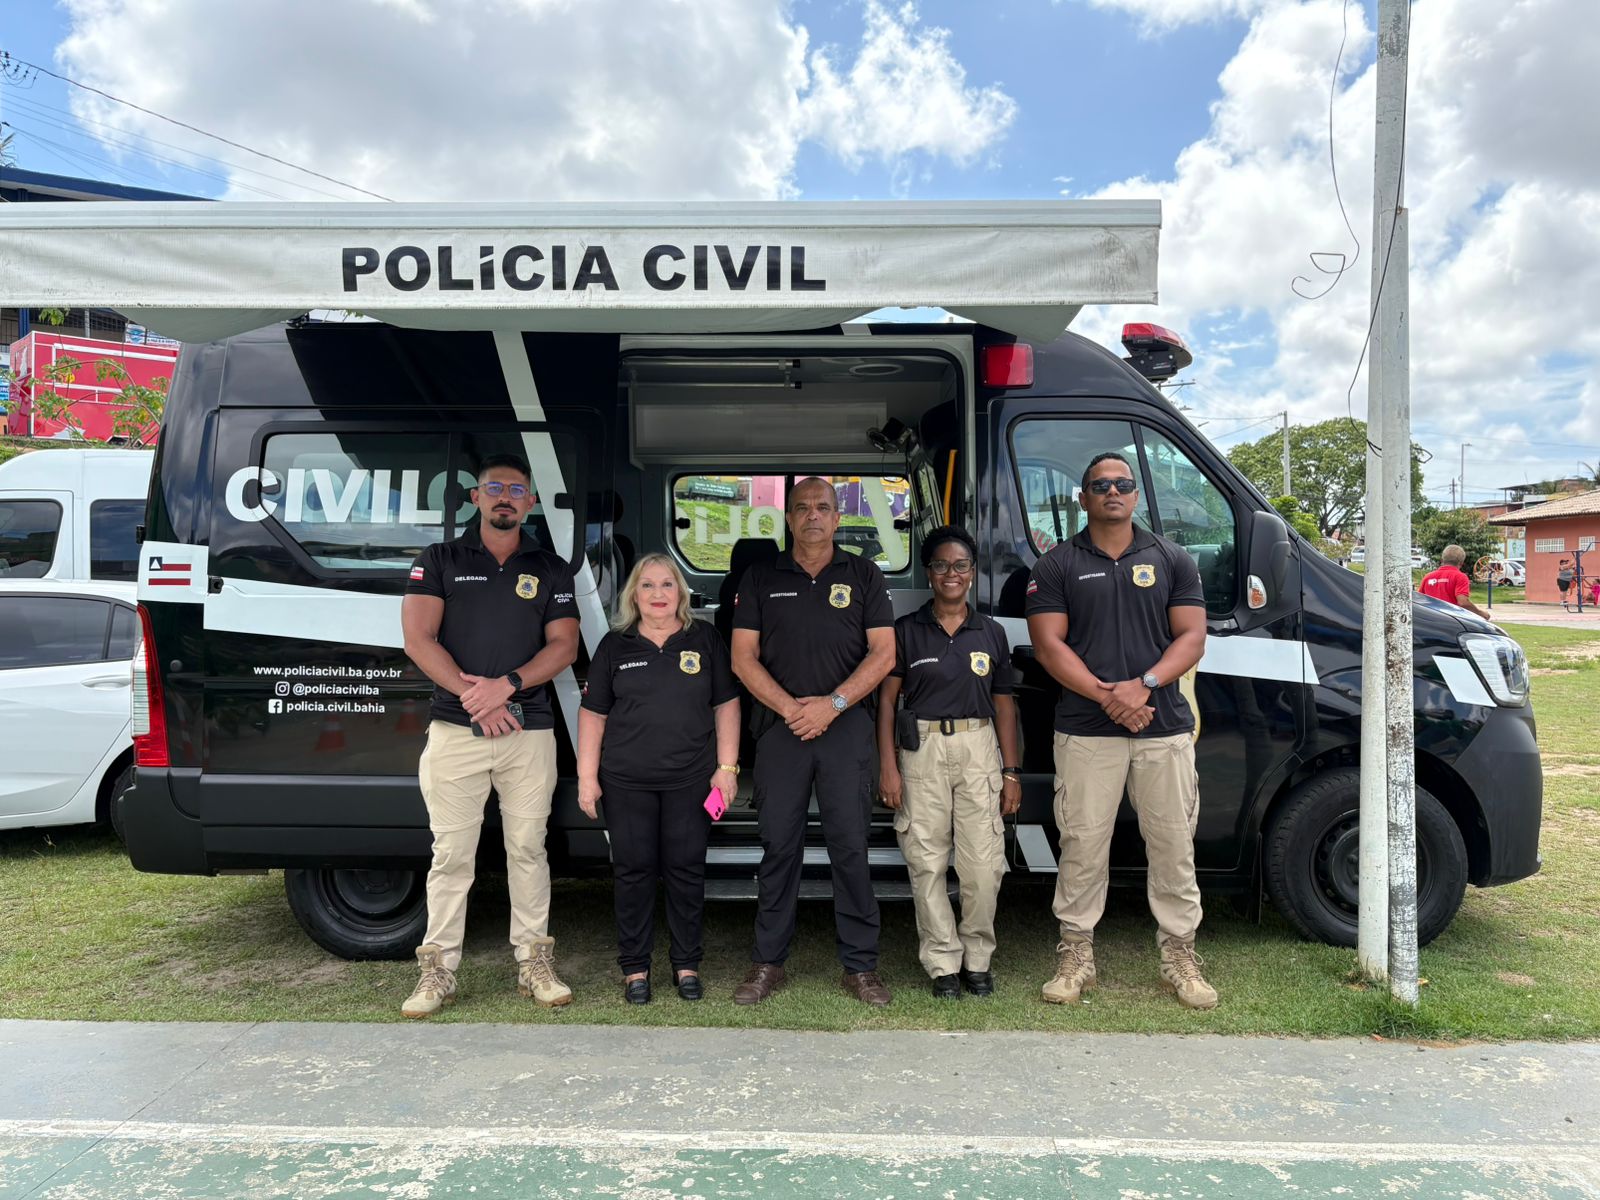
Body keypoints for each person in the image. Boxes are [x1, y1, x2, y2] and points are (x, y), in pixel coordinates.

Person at [1025, 452, 1215, 1010]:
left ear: (1135, 496)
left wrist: (1144, 685)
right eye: (1101, 484)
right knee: (1083, 844)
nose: (1112, 491)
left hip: (1163, 727)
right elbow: (1048, 647)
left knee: (1173, 844)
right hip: (1087, 729)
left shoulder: (1173, 559)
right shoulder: (1056, 565)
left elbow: (1192, 637)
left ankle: (1180, 956)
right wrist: (1110, 696)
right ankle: (1075, 955)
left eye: (1122, 484)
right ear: (1083, 497)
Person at [398, 454, 580, 1018]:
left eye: (517, 490)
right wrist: (473, 696)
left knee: (528, 848)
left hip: (529, 730)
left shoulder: (551, 568)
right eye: (495, 488)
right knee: (452, 854)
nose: (506, 497)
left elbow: (564, 646)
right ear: (475, 497)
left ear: (531, 503)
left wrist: (507, 686)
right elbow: (418, 638)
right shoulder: (440, 559)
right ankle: (437, 971)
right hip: (457, 729)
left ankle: (534, 962)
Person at [730, 477, 897, 1006]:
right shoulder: (760, 576)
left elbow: (884, 654)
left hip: (845, 730)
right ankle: (768, 963)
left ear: (837, 517)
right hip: (781, 731)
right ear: (788, 517)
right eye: (801, 508)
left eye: (822, 507)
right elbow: (742, 658)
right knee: (779, 847)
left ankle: (860, 966)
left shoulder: (864, 574)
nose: (812, 516)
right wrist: (791, 709)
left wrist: (833, 705)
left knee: (850, 846)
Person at [577, 553, 741, 1004]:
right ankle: (635, 969)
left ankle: (686, 964)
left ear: (680, 591)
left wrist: (727, 769)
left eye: (667, 584)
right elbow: (593, 714)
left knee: (686, 870)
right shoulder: (615, 645)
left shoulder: (704, 638)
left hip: (691, 780)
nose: (658, 594)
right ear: (634, 594)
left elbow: (726, 705)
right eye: (647, 585)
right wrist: (587, 777)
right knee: (633, 872)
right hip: (626, 781)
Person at [877, 525, 1022, 999]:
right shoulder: (906, 630)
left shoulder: (992, 632)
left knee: (984, 866)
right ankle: (942, 961)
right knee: (926, 861)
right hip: (921, 749)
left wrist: (1011, 771)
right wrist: (888, 765)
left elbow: (1004, 706)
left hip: (978, 746)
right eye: (941, 565)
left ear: (973, 572)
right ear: (929, 572)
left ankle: (977, 958)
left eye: (961, 565)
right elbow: (886, 703)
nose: (951, 573)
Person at [1417, 545, 1493, 620]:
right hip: (1452, 621)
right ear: (1461, 563)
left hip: (1430, 620)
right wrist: (1480, 613)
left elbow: (1418, 600)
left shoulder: (1428, 577)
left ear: (1442, 560)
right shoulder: (1460, 577)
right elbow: (1463, 602)